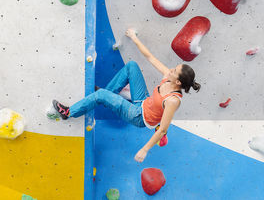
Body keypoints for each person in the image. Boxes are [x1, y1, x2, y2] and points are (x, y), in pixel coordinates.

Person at [53, 28, 200, 162]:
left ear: (179, 82)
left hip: (139, 117)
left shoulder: (172, 101)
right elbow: (150, 57)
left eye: (175, 70)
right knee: (132, 66)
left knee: (102, 95)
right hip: (143, 101)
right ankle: (105, 96)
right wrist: (134, 38)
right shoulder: (169, 76)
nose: (171, 69)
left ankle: (69, 112)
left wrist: (144, 150)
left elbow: (163, 130)